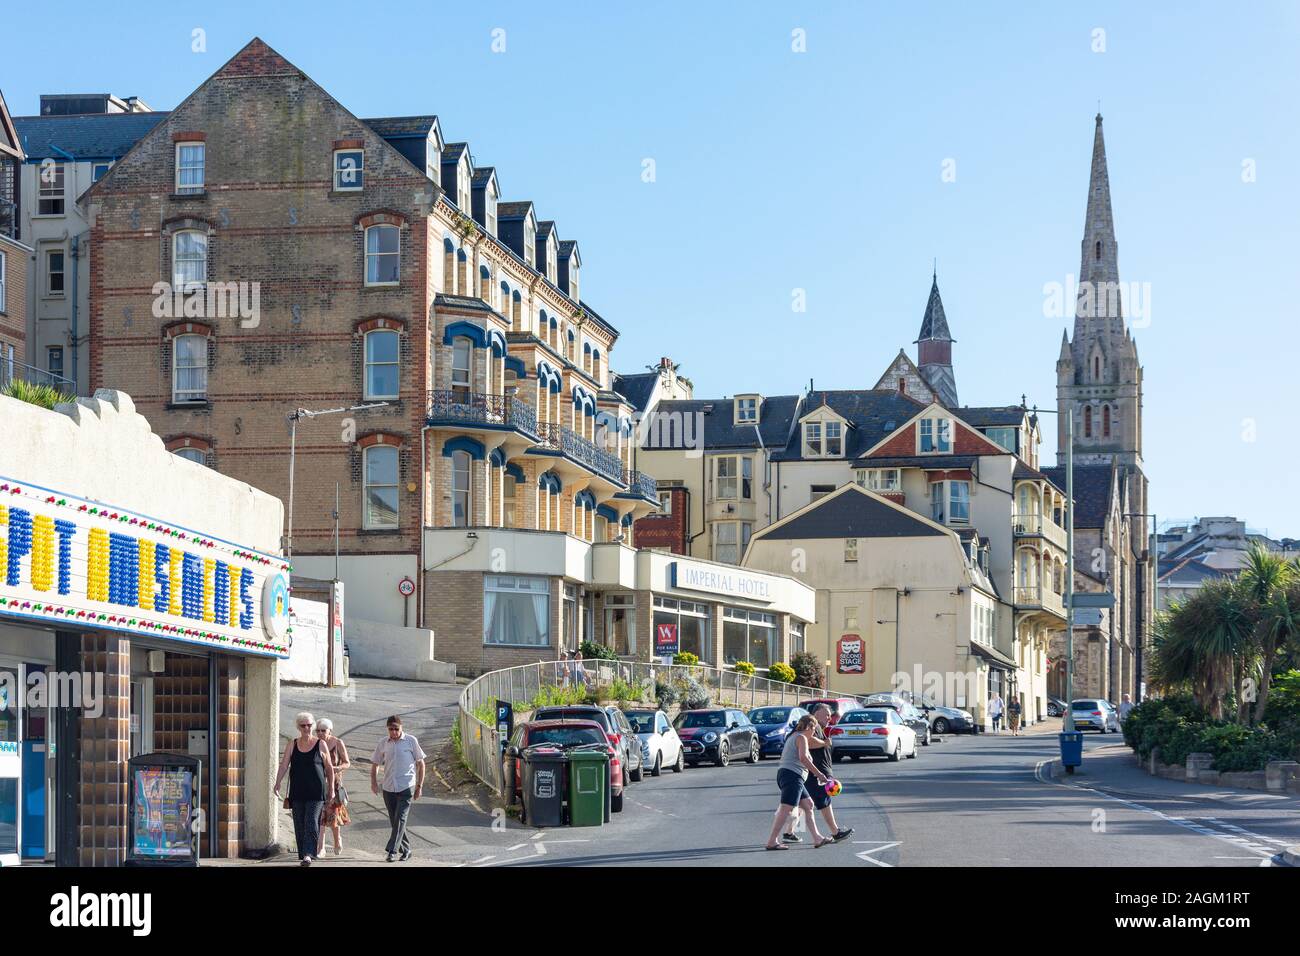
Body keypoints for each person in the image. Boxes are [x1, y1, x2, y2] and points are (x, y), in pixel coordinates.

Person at [783, 704, 853, 843]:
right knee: (823, 800)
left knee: (805, 804)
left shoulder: (816, 727)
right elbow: (807, 741)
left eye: (830, 715)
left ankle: (789, 833)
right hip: (814, 772)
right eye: (826, 714)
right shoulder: (810, 727)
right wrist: (824, 743)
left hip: (812, 772)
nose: (829, 717)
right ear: (815, 713)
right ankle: (835, 832)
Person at [273, 711, 335, 867]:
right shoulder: (292, 744)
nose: (307, 728)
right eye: (303, 725)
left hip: (316, 791)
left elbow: (329, 768)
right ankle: (303, 853)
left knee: (311, 820)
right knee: (299, 822)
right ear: (298, 727)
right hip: (297, 790)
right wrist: (277, 782)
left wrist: (331, 789)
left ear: (313, 726)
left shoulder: (320, 744)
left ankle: (308, 854)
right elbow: (283, 765)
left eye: (309, 725)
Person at [765, 715, 834, 850]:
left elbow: (809, 748)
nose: (814, 733)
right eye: (814, 729)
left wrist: (824, 743)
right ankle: (772, 841)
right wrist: (819, 774)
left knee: (808, 805)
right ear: (809, 727)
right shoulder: (801, 737)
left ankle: (817, 838)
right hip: (792, 776)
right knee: (787, 808)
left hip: (790, 775)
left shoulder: (795, 736)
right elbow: (803, 758)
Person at [371, 715, 426, 862]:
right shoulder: (383, 743)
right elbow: (376, 763)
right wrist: (374, 782)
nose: (394, 732)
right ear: (387, 729)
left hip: (406, 785)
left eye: (396, 729)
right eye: (391, 729)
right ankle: (406, 850)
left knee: (400, 818)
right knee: (395, 821)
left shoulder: (411, 740)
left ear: (401, 728)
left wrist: (419, 786)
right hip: (388, 787)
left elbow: (421, 764)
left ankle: (392, 851)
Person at [315, 718, 351, 858]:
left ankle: (337, 841)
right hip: (317, 784)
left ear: (330, 731)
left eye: (323, 731)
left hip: (334, 785)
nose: (320, 733)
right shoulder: (315, 743)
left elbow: (347, 762)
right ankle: (321, 847)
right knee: (320, 816)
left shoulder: (337, 742)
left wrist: (336, 768)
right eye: (317, 731)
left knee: (333, 817)